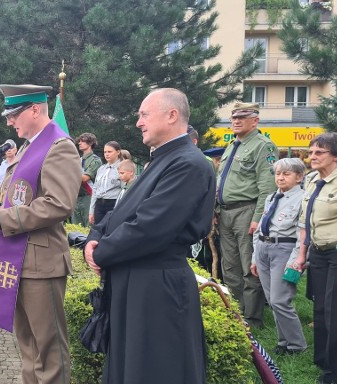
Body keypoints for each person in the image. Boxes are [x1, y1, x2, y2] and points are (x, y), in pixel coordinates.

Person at [84, 88, 213, 383]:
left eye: (144, 115)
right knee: (129, 365)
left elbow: (150, 227)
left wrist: (100, 252)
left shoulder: (189, 164)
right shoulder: (162, 160)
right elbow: (120, 213)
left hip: (158, 285)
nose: (138, 122)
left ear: (172, 115)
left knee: (156, 368)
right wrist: (94, 238)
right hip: (138, 280)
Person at [0, 84, 80, 383]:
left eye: (14, 114)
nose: (9, 122)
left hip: (40, 264)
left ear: (36, 109)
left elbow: (58, 203)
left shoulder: (59, 146)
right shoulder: (29, 146)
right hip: (15, 260)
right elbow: (18, 197)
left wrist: (3, 218)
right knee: (27, 347)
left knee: (48, 350)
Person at [215, 101, 277, 328]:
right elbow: (221, 182)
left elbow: (268, 186)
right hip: (226, 212)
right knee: (229, 267)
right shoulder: (232, 146)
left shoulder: (263, 145)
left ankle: (252, 318)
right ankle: (235, 312)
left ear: (255, 120)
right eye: (233, 118)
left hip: (247, 211)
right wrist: (215, 209)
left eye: (242, 117)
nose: (236, 121)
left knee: (249, 266)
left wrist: (258, 218)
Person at [293, 132, 337, 384]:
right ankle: (325, 361)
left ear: (336, 155)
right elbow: (306, 220)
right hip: (317, 251)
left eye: (319, 152)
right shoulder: (313, 179)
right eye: (311, 151)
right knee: (321, 309)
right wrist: (303, 253)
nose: (312, 156)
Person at [250, 158, 308, 356]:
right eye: (278, 174)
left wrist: (295, 260)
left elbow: (303, 234)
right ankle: (284, 341)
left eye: (286, 174)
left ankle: (297, 345)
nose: (280, 178)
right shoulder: (271, 198)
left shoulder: (303, 198)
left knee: (280, 299)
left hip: (284, 249)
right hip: (264, 248)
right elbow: (260, 228)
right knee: (271, 298)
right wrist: (254, 258)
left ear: (299, 177)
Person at [89, 141, 123, 225]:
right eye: (105, 152)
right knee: (98, 231)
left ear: (118, 152)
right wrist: (91, 211)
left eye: (110, 152)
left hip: (113, 203)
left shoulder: (122, 167)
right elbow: (95, 189)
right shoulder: (101, 169)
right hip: (99, 204)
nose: (107, 154)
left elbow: (124, 190)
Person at [74, 133, 101, 227]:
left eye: (82, 141)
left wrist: (68, 176)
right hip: (76, 196)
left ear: (90, 143)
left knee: (88, 226)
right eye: (79, 141)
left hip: (88, 196)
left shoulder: (95, 160)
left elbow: (85, 178)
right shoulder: (78, 160)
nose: (79, 143)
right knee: (75, 229)